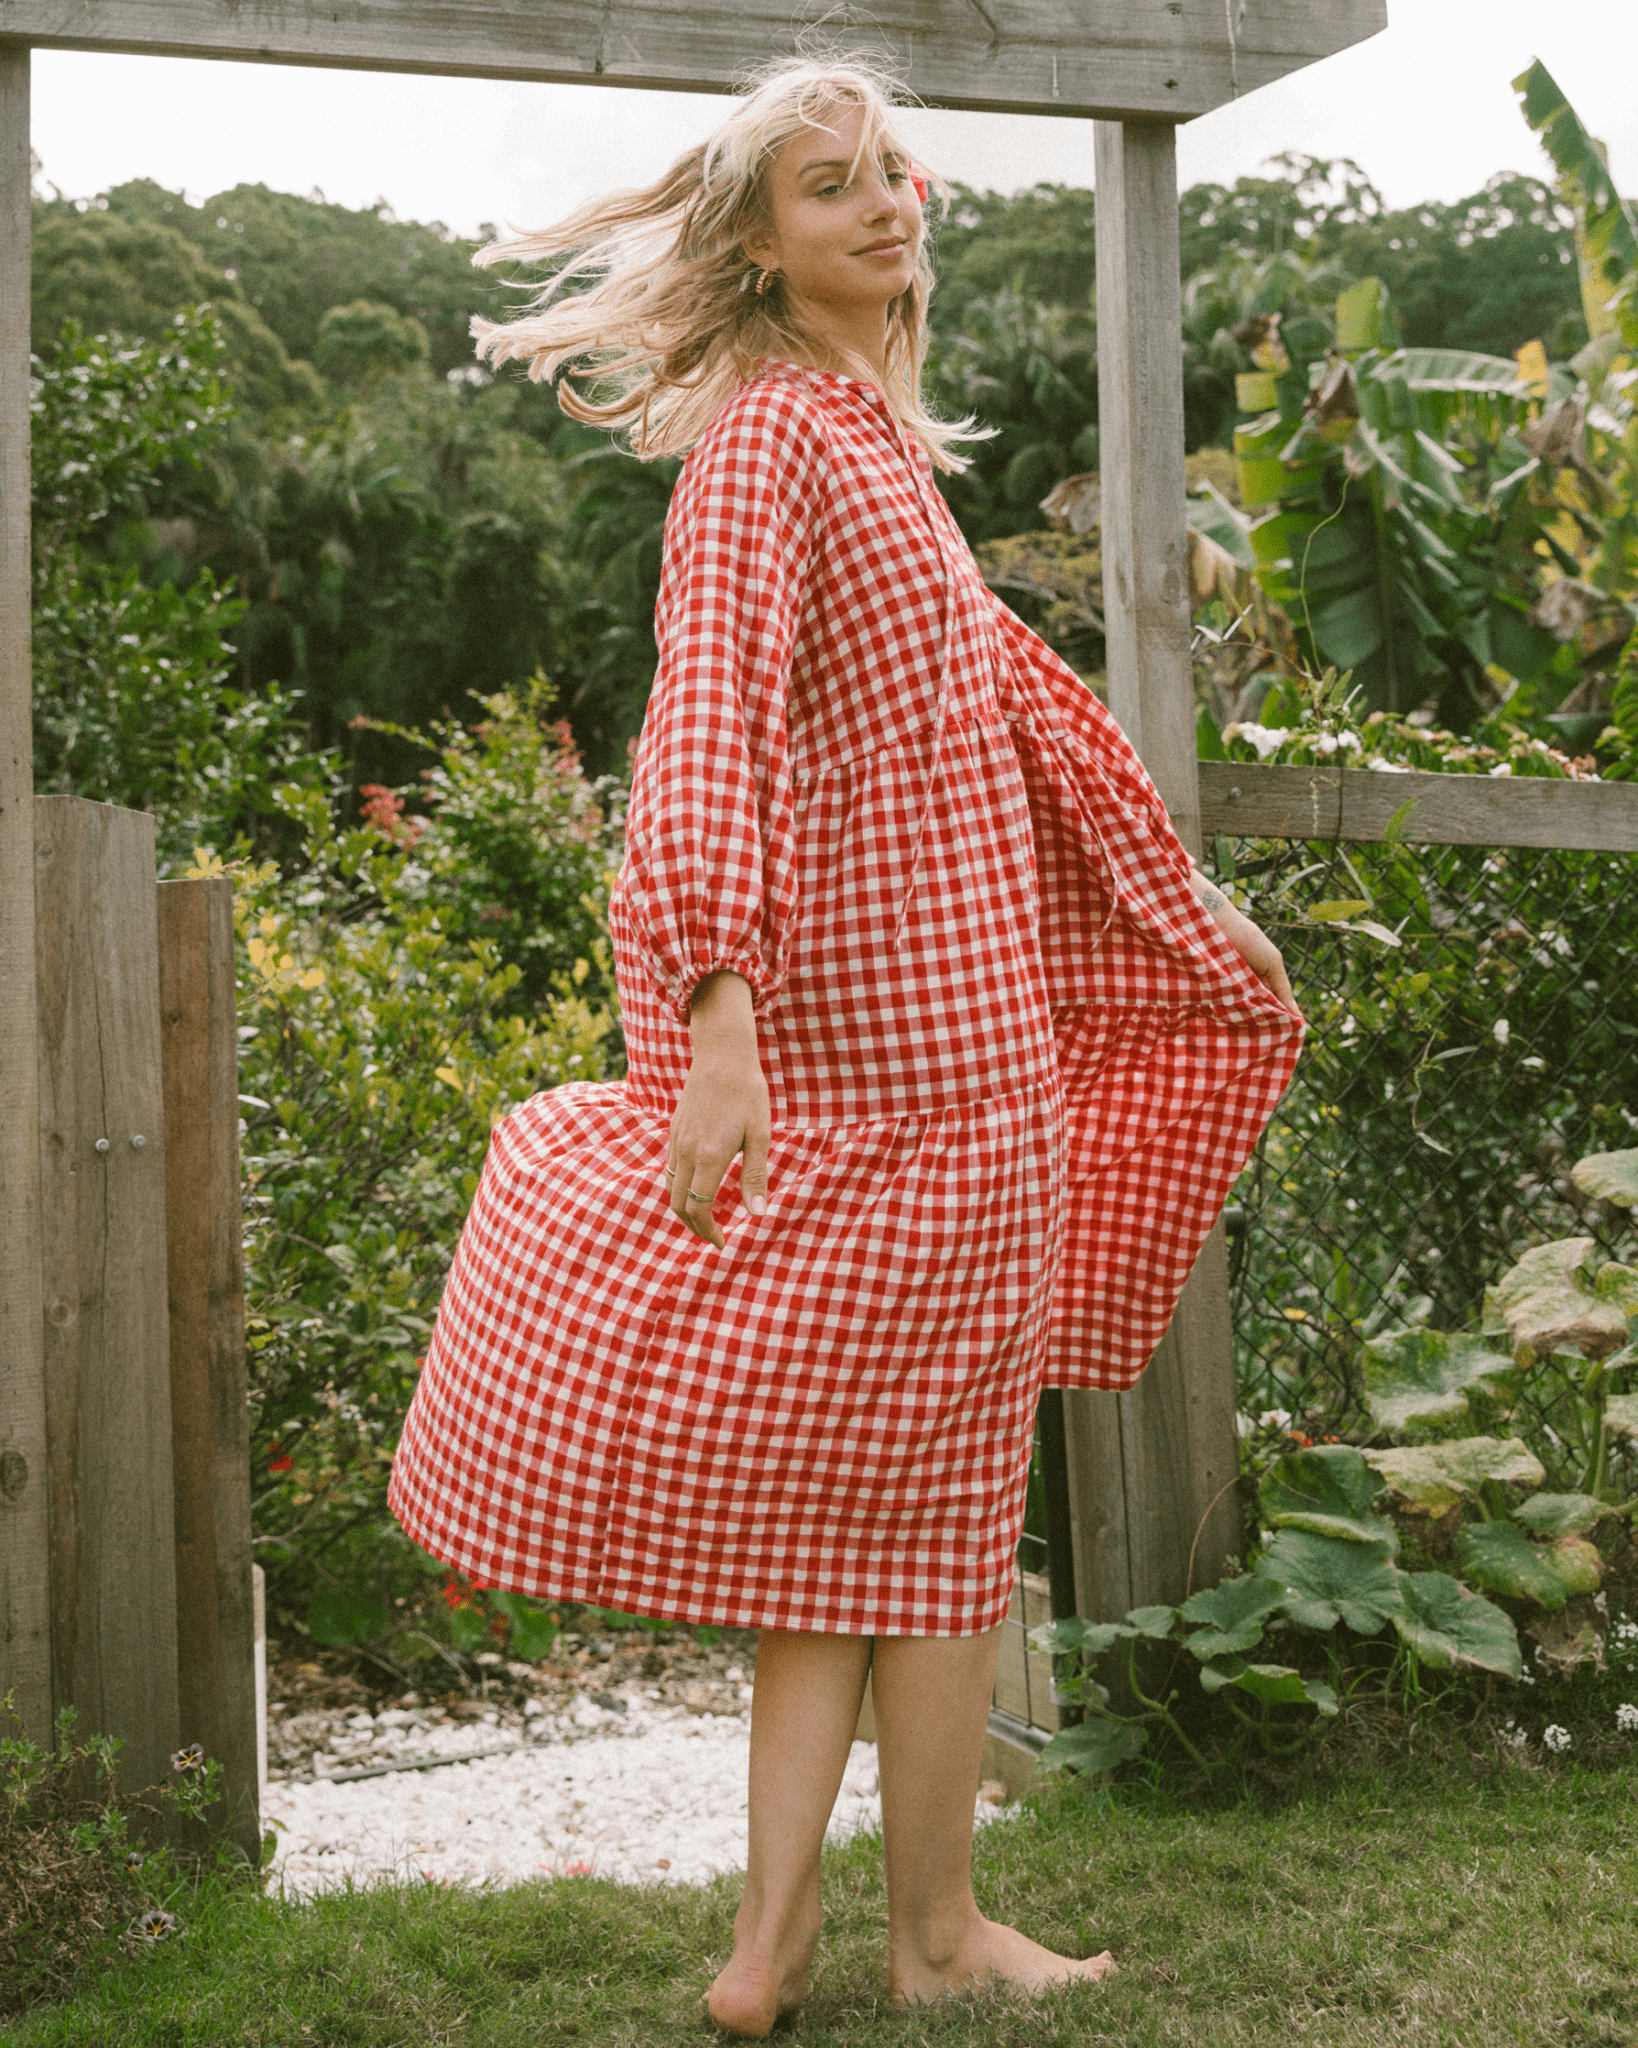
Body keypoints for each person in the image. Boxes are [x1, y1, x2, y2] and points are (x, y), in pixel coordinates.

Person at [390, 56, 1304, 2036]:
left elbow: (1012, 714)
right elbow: (703, 718)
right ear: (755, 244)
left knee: (864, 1515)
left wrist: (1175, 904)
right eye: (831, 185)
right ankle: (931, 1935)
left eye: (893, 171)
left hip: (955, 1044)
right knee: (945, 1508)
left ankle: (776, 1951)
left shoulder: (869, 441)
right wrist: (713, 1007)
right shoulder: (771, 446)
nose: (886, 202)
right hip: (909, 1068)